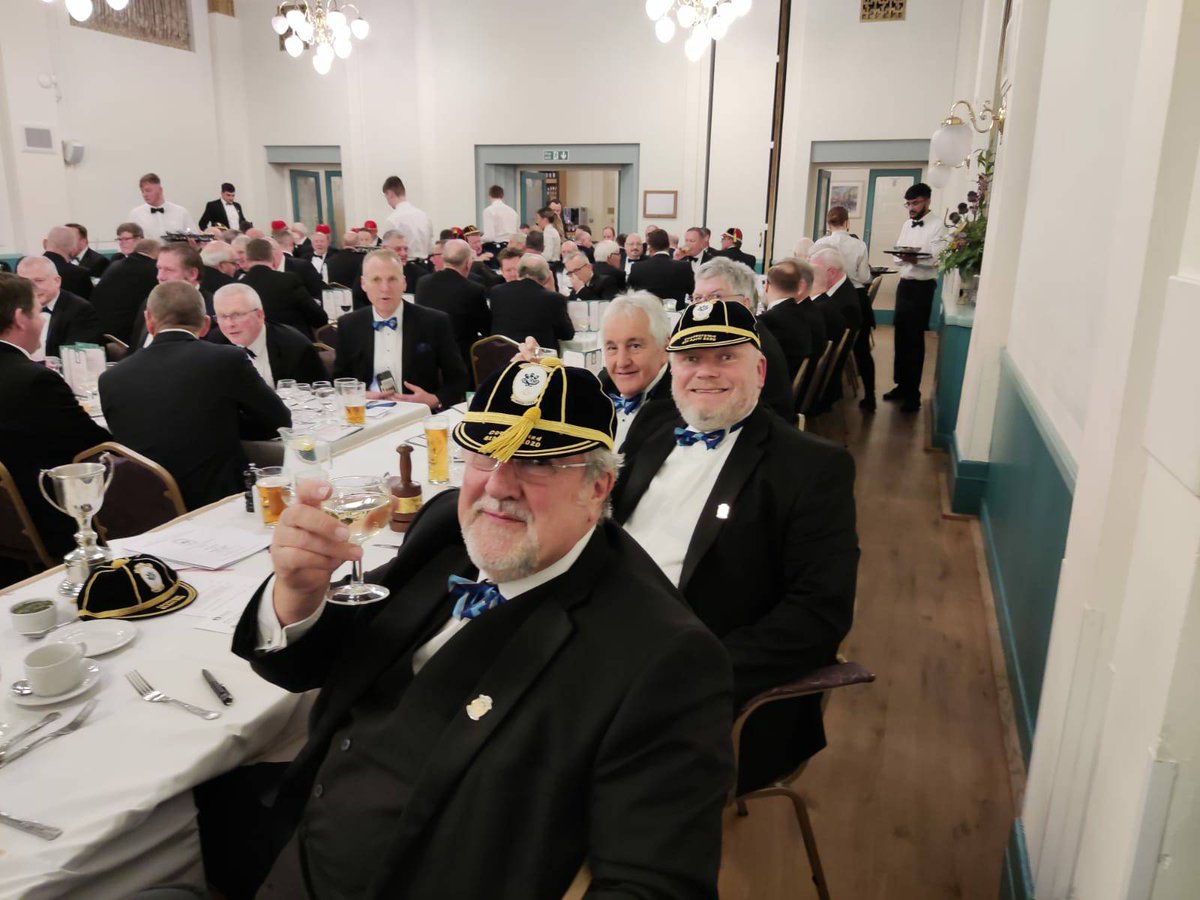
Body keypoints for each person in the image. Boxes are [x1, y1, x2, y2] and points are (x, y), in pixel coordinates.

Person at [232, 355, 732, 899]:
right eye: (483, 454)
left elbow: (656, 884)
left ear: (598, 488)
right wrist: (298, 593)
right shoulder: (446, 527)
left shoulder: (660, 655)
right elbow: (308, 663)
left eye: (536, 463)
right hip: (297, 855)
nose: (497, 485)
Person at [612, 299, 858, 792]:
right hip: (602, 637)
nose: (705, 372)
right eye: (690, 359)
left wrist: (696, 672)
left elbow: (819, 614)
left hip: (694, 680)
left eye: (726, 357)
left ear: (760, 369)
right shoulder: (655, 423)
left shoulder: (811, 467)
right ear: (671, 366)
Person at [99, 282, 291, 509]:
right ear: (205, 324)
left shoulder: (111, 379)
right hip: (221, 503)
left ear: (149, 320)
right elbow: (279, 421)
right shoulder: (226, 359)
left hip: (146, 509)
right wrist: (223, 421)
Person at [0, 273, 108, 570]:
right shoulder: (35, 381)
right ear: (21, 318)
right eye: (37, 312)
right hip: (50, 519)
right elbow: (96, 446)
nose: (41, 321)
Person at [332, 249, 466, 410]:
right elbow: (339, 381)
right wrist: (359, 395)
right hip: (366, 416)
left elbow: (459, 378)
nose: (385, 288)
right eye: (376, 279)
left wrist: (434, 399)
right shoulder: (349, 324)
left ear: (404, 283)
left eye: (392, 279)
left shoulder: (434, 322)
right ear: (363, 284)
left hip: (418, 417)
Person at [691, 256, 794, 422]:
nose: (704, 306)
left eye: (716, 297)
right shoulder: (746, 332)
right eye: (697, 299)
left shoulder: (750, 347)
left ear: (744, 303)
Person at [885, 183, 948, 411]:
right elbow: (896, 257)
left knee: (915, 339)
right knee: (900, 336)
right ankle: (901, 385)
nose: (911, 208)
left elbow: (937, 259)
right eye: (908, 204)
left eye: (916, 203)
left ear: (928, 201)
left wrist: (916, 259)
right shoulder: (906, 224)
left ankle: (913, 392)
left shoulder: (938, 226)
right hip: (905, 284)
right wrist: (904, 257)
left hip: (922, 287)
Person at [813, 206, 876, 409]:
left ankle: (823, 393)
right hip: (855, 296)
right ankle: (870, 396)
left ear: (828, 223)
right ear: (847, 222)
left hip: (827, 295)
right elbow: (865, 277)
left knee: (827, 346)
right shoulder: (858, 245)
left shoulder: (820, 243)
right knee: (862, 349)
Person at [210, 283, 326, 386]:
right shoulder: (214, 344)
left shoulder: (295, 347)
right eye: (223, 316)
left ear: (260, 315)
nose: (230, 324)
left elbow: (315, 397)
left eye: (238, 315)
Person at [599, 291, 671, 450]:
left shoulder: (681, 406)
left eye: (635, 346)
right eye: (612, 348)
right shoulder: (600, 387)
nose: (622, 362)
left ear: (665, 347)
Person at [413, 239, 490, 375]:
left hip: (426, 359)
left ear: (443, 259)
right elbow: (486, 328)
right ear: (468, 263)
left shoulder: (422, 283)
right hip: (459, 362)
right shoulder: (473, 290)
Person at [15, 255, 100, 359]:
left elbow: (76, 359)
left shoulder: (80, 310)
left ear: (57, 281)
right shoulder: (14, 308)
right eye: (25, 282)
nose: (32, 288)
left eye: (39, 280)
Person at [239, 238, 327, 337]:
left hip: (257, 346)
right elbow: (319, 318)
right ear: (272, 257)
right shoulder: (289, 280)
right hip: (295, 343)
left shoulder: (240, 287)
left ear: (246, 259)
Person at [809, 246, 862, 412]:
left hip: (821, 385)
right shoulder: (840, 291)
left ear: (831, 272)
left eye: (815, 271)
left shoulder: (843, 303)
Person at [487, 254, 574, 351]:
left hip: (502, 358)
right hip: (539, 361)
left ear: (519, 271)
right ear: (546, 276)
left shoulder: (497, 292)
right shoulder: (553, 298)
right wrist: (552, 290)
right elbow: (567, 334)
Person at [90, 238, 160, 345]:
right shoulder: (152, 270)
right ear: (156, 254)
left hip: (100, 329)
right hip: (126, 334)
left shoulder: (114, 266)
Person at [758, 259, 816, 384]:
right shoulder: (801, 313)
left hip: (776, 387)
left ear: (767, 285)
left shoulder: (768, 321)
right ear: (797, 287)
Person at [627, 228, 694, 303]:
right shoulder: (684, 267)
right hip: (676, 313)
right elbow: (692, 291)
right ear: (668, 246)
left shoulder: (637, 268)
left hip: (647, 312)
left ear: (650, 248)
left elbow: (629, 293)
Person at [130, 172, 196, 240]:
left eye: (148, 190)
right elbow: (132, 241)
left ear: (160, 190)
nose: (145, 194)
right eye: (142, 191)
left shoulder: (181, 212)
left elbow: (193, 237)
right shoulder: (136, 214)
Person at [382, 175, 433, 259]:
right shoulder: (424, 216)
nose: (388, 202)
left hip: (405, 265)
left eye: (386, 196)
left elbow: (388, 251)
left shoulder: (393, 219)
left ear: (390, 194)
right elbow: (430, 248)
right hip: (425, 266)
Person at [41, 225, 94, 299]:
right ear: (73, 247)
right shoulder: (79, 274)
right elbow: (90, 306)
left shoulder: (25, 268)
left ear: (45, 243)